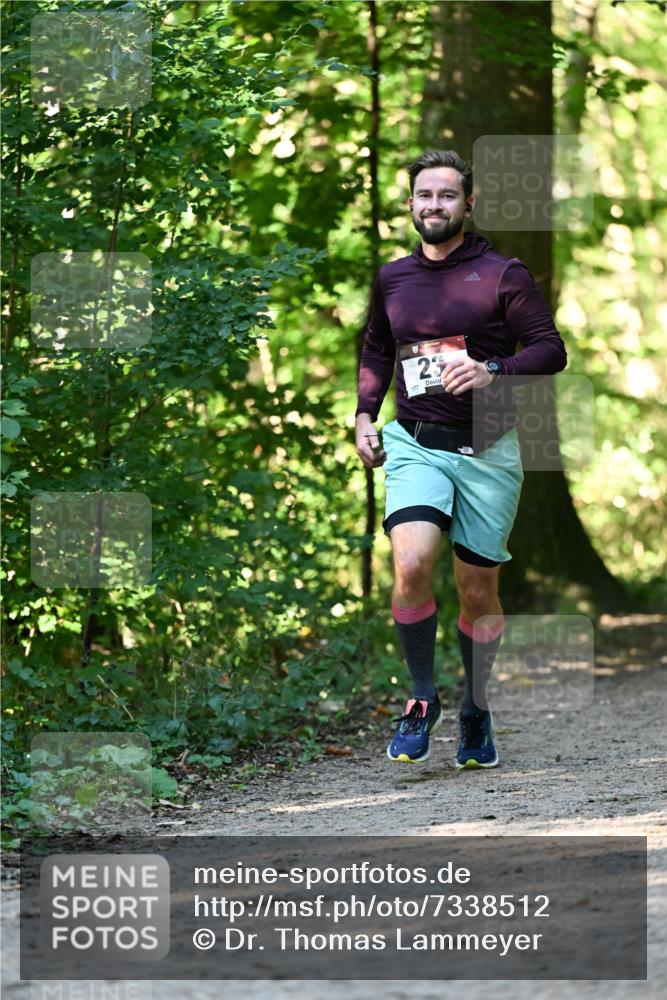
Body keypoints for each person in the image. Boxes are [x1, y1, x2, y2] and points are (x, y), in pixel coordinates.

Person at [355, 149, 567, 769]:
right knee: (412, 562)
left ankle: (475, 706)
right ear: (411, 203)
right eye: (424, 196)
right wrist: (367, 412)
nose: (434, 206)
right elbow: (375, 346)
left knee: (478, 592)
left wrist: (491, 367)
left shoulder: (503, 273)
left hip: (488, 452)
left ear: (467, 204)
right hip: (415, 442)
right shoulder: (393, 277)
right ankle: (423, 698)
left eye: (447, 196)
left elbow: (550, 350)